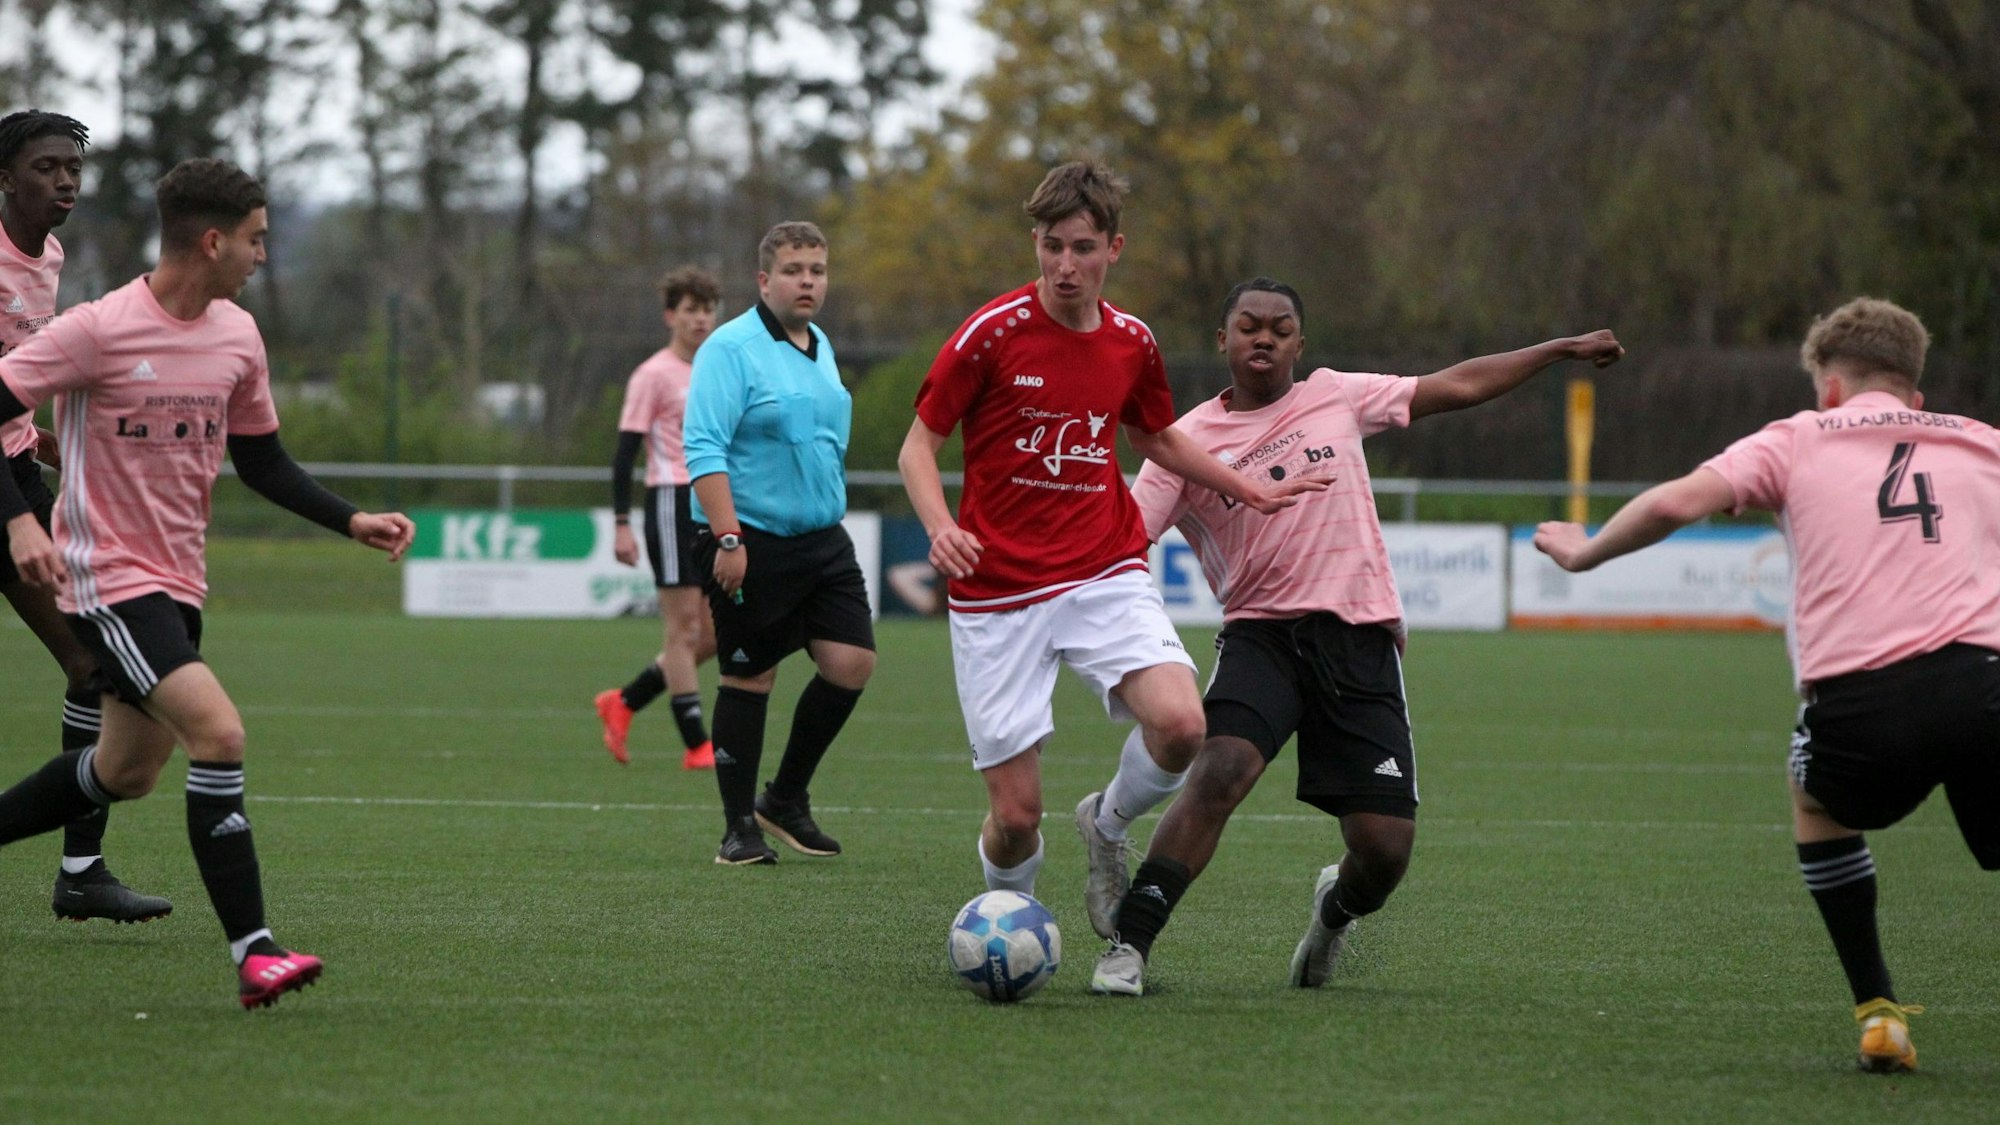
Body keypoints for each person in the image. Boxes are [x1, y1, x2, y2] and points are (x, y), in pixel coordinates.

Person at [1087, 278, 1624, 995]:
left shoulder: (1335, 394)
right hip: (1261, 637)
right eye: (1248, 325)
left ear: (1300, 346)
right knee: (1219, 772)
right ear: (1222, 340)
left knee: (1382, 851)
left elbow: (1455, 386)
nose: (1264, 337)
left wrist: (1558, 349)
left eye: (1281, 327)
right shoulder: (1183, 445)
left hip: (1360, 641)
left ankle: (1333, 913)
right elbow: (1120, 544)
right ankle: (1130, 945)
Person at [1534, 297, 1995, 1073]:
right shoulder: (1981, 443)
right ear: (1916, 398)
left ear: (1830, 390)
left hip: (1863, 701)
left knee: (1813, 796)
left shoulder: (1800, 437)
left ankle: (1880, 1012)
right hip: (1985, 688)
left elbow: (1678, 500)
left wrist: (1585, 552)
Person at [0, 158, 415, 1008]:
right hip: (108, 579)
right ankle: (256, 951)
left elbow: (261, 460)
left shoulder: (238, 335)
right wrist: (17, 518)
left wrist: (350, 521)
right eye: (258, 239)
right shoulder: (99, 327)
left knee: (125, 770)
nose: (265, 255)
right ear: (214, 239)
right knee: (219, 734)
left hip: (180, 583)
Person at [898, 162, 1320, 937]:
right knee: (1018, 818)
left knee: (1183, 726)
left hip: (1102, 567)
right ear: (1035, 242)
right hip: (997, 591)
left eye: (1083, 248)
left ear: (1113, 248)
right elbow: (918, 447)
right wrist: (940, 526)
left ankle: (1108, 823)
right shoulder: (989, 333)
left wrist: (1245, 485)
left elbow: (1154, 435)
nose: (1065, 266)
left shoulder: (1133, 342)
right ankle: (1013, 914)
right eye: (1052, 246)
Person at [0, 108, 171, 923]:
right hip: (8, 500)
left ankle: (82, 870)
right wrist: (19, 520)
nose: (65, 179)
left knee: (97, 665)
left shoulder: (51, 255)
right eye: (45, 166)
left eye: (72, 166)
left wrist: (57, 451)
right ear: (4, 178)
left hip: (12, 477)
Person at [683, 221, 874, 865]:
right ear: (764, 280)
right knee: (750, 676)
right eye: (794, 270)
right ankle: (739, 828)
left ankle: (785, 798)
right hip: (750, 536)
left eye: (817, 271)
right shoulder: (728, 348)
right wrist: (728, 536)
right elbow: (703, 446)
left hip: (822, 539)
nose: (808, 282)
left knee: (851, 664)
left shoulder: (818, 342)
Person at [594, 265, 721, 771]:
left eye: (708, 309)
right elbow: (625, 453)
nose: (701, 319)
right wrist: (621, 523)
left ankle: (624, 701)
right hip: (670, 500)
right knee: (683, 627)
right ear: (671, 315)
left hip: (714, 502)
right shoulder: (652, 375)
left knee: (712, 636)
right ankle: (697, 743)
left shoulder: (718, 368)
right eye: (691, 309)